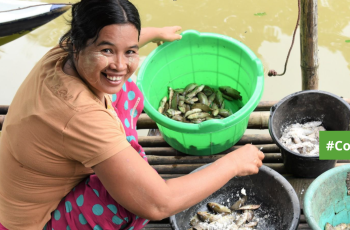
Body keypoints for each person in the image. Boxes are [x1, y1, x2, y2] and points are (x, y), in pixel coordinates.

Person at [0, 0, 265, 229]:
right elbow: (159, 204)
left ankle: (124, 164)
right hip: (31, 222)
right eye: (106, 50)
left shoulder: (61, 55)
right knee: (129, 204)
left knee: (122, 87)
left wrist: (152, 34)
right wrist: (233, 164)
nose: (120, 64)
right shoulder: (79, 115)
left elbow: (116, 45)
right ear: (78, 45)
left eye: (130, 51)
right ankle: (127, 171)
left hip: (24, 182)